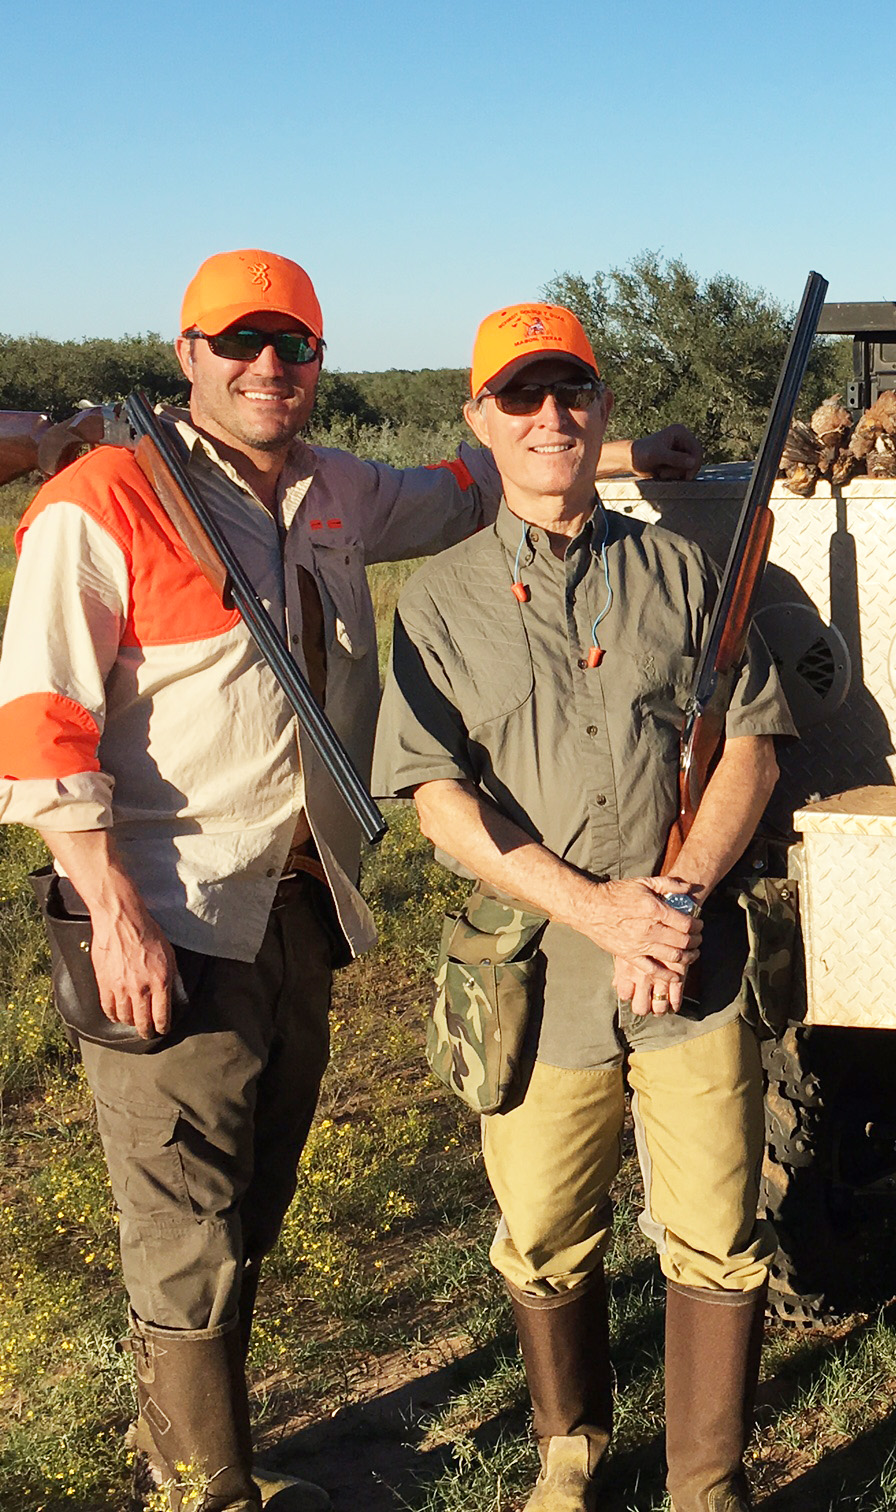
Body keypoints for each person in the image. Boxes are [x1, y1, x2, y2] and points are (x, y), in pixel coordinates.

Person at [0, 250, 700, 1512]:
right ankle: (199, 1491)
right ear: (189, 356)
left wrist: (626, 455)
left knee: (253, 1196)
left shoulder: (334, 490)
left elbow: (475, 483)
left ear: (317, 364)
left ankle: (214, 1457)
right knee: (183, 1220)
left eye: (294, 347)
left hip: (299, 903)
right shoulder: (104, 500)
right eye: (240, 344)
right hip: (166, 907)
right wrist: (109, 908)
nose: (269, 368)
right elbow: (39, 720)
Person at [373, 301, 795, 1512]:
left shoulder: (684, 571)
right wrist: (598, 912)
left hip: (690, 962)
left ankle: (705, 1482)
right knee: (547, 1229)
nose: (551, 418)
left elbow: (751, 745)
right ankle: (573, 1449)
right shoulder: (441, 600)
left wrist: (673, 901)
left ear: (601, 411)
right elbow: (440, 803)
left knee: (715, 1227)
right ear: (481, 423)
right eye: (522, 398)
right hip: (539, 975)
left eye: (573, 395)